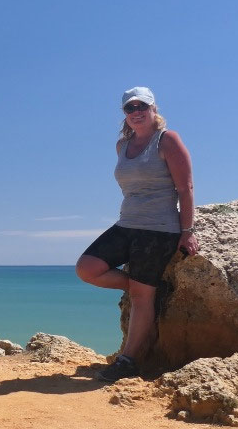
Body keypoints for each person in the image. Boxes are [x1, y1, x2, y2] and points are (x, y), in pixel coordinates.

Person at [75, 86, 198, 382]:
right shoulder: (122, 145)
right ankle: (150, 288)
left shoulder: (167, 140)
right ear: (125, 114)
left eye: (142, 106)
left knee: (142, 295)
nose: (136, 112)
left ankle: (127, 360)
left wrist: (187, 231)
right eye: (130, 108)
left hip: (158, 229)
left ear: (154, 108)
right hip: (127, 224)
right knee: (87, 268)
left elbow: (186, 188)